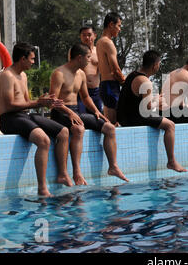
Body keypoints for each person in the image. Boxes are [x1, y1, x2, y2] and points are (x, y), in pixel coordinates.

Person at [0, 42, 73, 197]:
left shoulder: (23, 76)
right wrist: (38, 103)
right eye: (31, 58)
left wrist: (45, 101)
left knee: (63, 132)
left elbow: (25, 102)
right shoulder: (7, 76)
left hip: (23, 115)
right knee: (44, 140)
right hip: (9, 118)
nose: (33, 62)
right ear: (22, 58)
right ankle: (42, 188)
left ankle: (62, 174)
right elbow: (10, 105)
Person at [49, 43, 129, 185]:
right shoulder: (59, 73)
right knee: (79, 129)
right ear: (79, 58)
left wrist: (97, 111)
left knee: (109, 128)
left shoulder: (81, 74)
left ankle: (113, 167)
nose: (89, 61)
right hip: (60, 112)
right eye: (88, 57)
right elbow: (52, 101)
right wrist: (68, 112)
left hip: (76, 112)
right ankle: (77, 172)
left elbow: (85, 97)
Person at [117, 50, 187, 173]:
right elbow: (148, 108)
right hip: (133, 118)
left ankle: (172, 161)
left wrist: (154, 99)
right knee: (170, 125)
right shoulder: (145, 81)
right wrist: (156, 102)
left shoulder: (132, 75)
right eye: (159, 64)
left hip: (123, 117)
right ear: (155, 65)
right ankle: (171, 162)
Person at [96, 12, 126, 125]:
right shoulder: (108, 43)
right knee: (113, 124)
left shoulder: (99, 42)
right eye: (118, 26)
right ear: (111, 25)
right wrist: (125, 82)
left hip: (105, 85)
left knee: (110, 123)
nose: (119, 29)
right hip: (110, 86)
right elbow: (115, 70)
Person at [77, 24, 103, 114]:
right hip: (81, 91)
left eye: (89, 34)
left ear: (95, 35)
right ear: (80, 37)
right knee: (82, 119)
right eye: (83, 35)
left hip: (96, 91)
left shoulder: (99, 51)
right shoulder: (75, 51)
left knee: (99, 119)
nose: (87, 37)